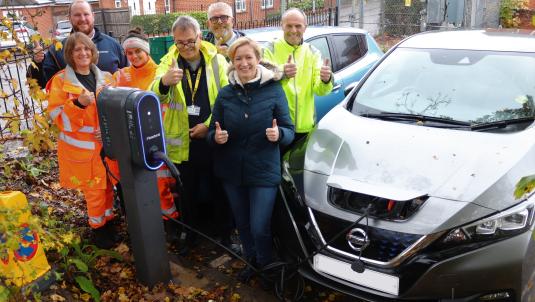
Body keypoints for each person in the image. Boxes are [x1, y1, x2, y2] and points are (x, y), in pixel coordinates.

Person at [207, 37, 294, 283]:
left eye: (248, 57)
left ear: (257, 59)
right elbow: (212, 134)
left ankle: (267, 266)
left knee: (259, 226)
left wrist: (279, 135)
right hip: (232, 171)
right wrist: (217, 137)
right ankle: (251, 261)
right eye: (238, 59)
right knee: (242, 224)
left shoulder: (274, 89)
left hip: (263, 170)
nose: (244, 63)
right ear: (232, 63)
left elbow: (289, 129)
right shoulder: (225, 94)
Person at [150, 16, 229, 253]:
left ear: (199, 37)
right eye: (180, 43)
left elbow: (227, 99)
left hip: (211, 136)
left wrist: (208, 124)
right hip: (183, 140)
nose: (186, 47)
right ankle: (190, 234)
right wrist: (164, 82)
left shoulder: (217, 61)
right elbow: (153, 94)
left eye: (190, 41)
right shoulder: (168, 61)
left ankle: (225, 234)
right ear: (174, 41)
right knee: (187, 190)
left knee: (219, 188)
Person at [46, 32, 116, 249]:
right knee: (94, 193)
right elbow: (57, 118)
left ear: (93, 52)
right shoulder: (60, 81)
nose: (83, 53)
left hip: (106, 146)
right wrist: (78, 104)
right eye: (77, 49)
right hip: (83, 152)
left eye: (86, 48)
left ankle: (109, 222)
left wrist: (108, 131)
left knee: (108, 189)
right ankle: (99, 231)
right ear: (70, 54)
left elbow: (117, 111)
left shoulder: (107, 78)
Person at [112, 28, 180, 242]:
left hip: (157, 138)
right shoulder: (121, 75)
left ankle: (172, 226)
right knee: (140, 185)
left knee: (163, 186)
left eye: (138, 52)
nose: (134, 56)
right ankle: (148, 225)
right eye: (129, 53)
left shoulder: (160, 71)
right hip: (133, 141)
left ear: (146, 51)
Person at [262, 8, 333, 142]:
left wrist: (326, 80)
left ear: (305, 28)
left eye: (298, 26)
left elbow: (320, 90)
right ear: (282, 26)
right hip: (277, 127)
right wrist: (282, 73)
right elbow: (261, 82)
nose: (293, 30)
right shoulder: (269, 49)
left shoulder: (313, 52)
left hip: (305, 128)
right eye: (289, 26)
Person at [39, 0, 127, 83]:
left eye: (86, 14)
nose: (82, 19)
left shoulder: (113, 45)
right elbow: (42, 82)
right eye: (77, 15)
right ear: (69, 18)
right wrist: (38, 62)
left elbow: (129, 76)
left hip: (109, 98)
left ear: (93, 16)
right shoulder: (57, 50)